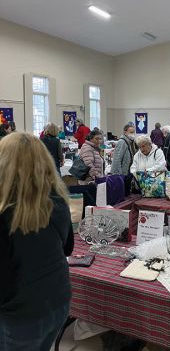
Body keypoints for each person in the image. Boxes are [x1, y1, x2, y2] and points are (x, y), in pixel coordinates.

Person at [0, 133, 74, 351]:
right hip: (58, 300)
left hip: (21, 314)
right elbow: (67, 247)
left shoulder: (5, 214)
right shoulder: (57, 201)